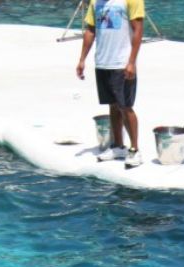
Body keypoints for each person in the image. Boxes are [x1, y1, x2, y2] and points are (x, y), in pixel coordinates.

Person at [76, 0, 145, 169]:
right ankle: (118, 146)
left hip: (121, 63)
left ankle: (135, 149)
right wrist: (82, 59)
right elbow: (90, 30)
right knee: (113, 105)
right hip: (102, 62)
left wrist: (131, 62)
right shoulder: (95, 2)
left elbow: (138, 30)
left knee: (125, 106)